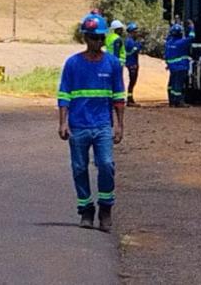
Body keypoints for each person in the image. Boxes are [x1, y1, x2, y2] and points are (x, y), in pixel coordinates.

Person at [57, 13, 126, 232]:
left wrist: (119, 125)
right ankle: (86, 211)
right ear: (85, 38)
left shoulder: (113, 64)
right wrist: (63, 123)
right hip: (78, 126)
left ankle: (105, 209)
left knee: (105, 165)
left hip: (103, 125)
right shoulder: (73, 64)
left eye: (100, 37)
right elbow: (64, 94)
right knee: (79, 168)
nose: (97, 42)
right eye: (92, 37)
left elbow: (118, 97)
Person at [164, 20, 195, 108]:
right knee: (179, 85)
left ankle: (172, 101)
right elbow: (192, 37)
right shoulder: (182, 42)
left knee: (172, 84)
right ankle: (178, 102)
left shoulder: (168, 43)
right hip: (181, 67)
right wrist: (192, 27)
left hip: (172, 68)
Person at [125, 22, 143, 106]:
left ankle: (130, 98)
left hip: (132, 63)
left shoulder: (129, 40)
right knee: (132, 81)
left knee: (133, 82)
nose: (137, 33)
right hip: (132, 63)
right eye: (135, 31)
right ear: (131, 32)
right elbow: (134, 51)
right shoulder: (130, 41)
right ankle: (129, 100)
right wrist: (139, 45)